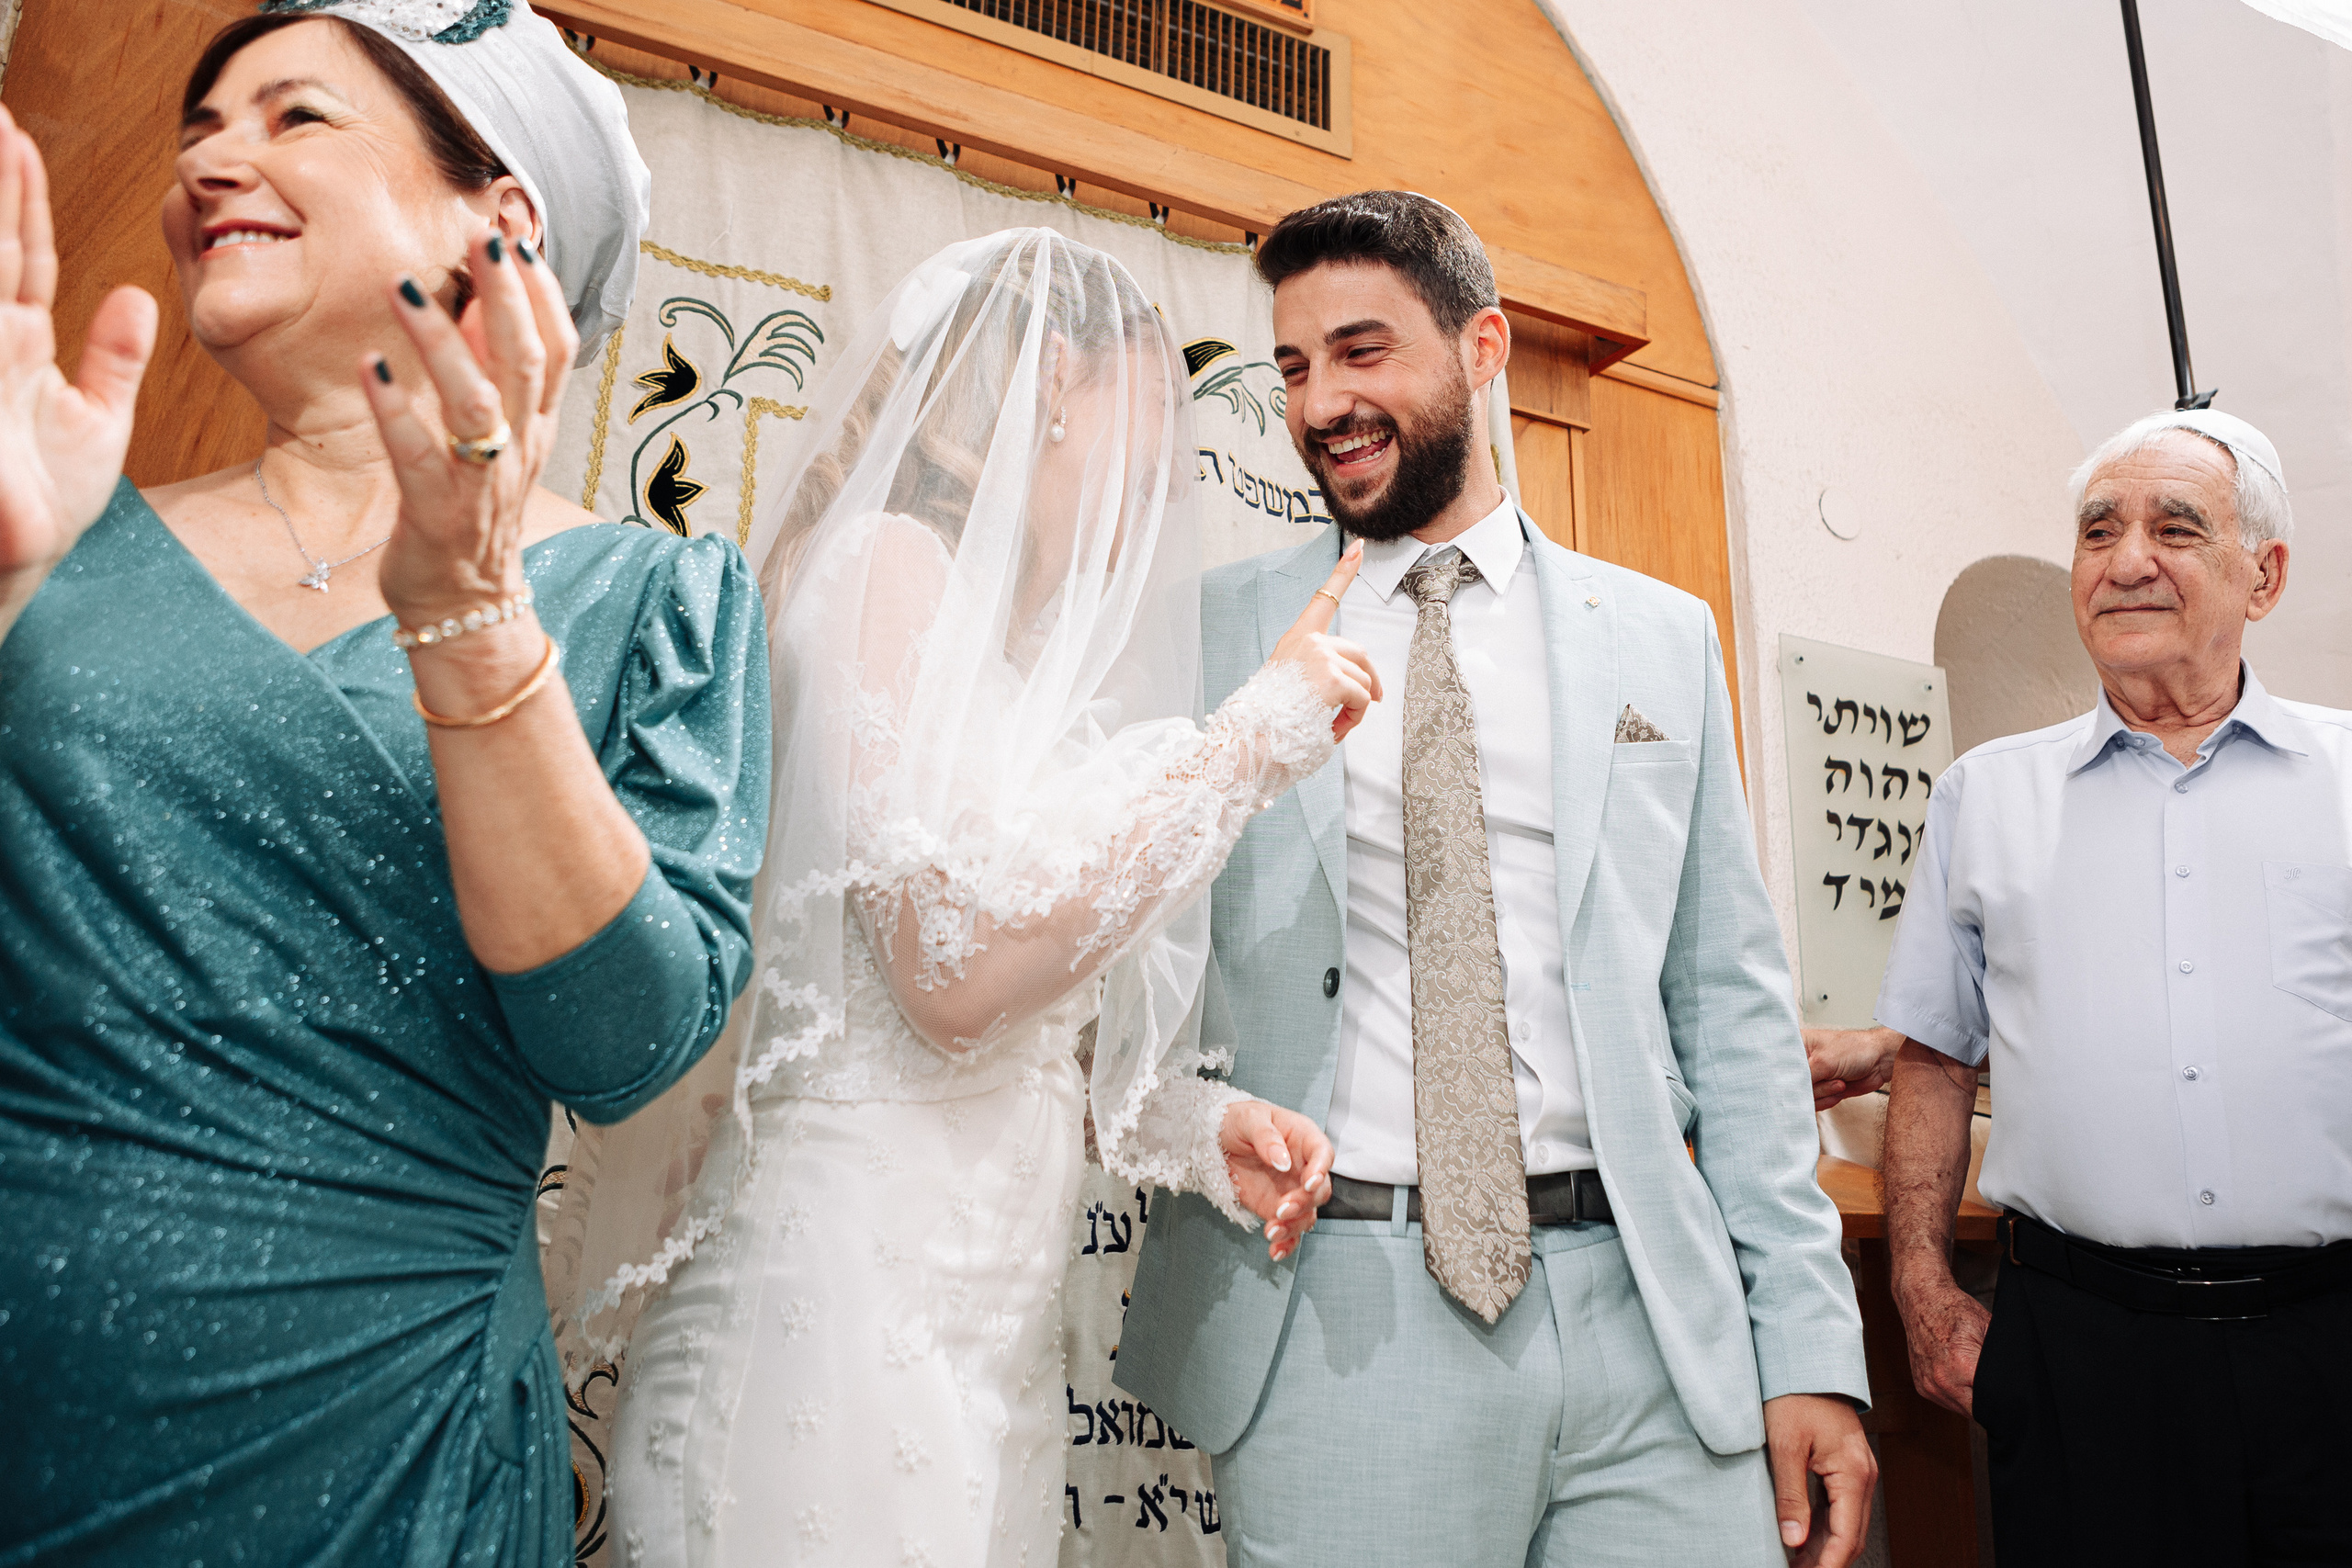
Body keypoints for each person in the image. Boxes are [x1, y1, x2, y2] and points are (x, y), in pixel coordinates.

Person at [0, 5, 769, 1562]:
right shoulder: (62, 531)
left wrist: (473, 621)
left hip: (381, 1441)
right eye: (201, 126)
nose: (213, 156)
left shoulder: (649, 600)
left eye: (293, 119)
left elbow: (626, 1048)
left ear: (502, 221)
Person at [558, 229, 1365, 1567]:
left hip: (983, 1323)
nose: (1169, 466)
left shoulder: (1006, 660)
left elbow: (1030, 1004)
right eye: (1154, 404)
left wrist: (1186, 1124)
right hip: (838, 1295)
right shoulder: (881, 569)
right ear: (1053, 375)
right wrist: (1245, 747)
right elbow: (948, 968)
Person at [1116, 191, 1878, 1567]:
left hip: (1652, 1315)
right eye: (1293, 366)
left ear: (1483, 347)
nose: (1324, 401)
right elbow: (1113, 971)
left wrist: (1809, 1339)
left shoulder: (1658, 635)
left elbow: (1736, 1015)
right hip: (1340, 1312)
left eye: (1362, 350)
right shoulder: (1212, 631)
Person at [1878, 408, 2352, 1565]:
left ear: (2265, 575)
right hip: (2079, 1357)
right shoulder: (1984, 798)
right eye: (2098, 531)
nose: (2126, 559)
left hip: (2332, 1350)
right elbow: (1932, 1060)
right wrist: (1923, 1294)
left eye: (2176, 528)